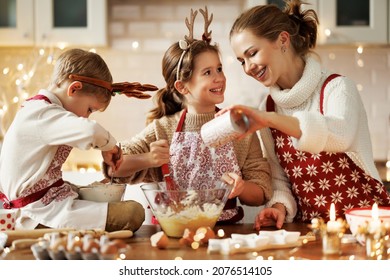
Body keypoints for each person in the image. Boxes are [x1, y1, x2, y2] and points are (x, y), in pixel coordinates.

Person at [218, 0, 390, 230]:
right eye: (242, 61)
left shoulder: (337, 87)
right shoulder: (267, 106)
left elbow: (340, 136)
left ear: (282, 40)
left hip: (366, 227)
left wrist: (267, 119)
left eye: (252, 53)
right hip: (310, 230)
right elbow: (280, 179)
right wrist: (278, 207)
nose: (248, 67)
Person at [106, 7, 272, 224]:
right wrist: (147, 159)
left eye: (219, 69)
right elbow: (114, 166)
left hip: (224, 234)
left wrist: (241, 188)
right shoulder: (162, 129)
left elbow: (261, 190)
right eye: (207, 72)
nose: (219, 78)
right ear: (182, 87)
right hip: (174, 232)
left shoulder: (239, 126)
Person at [0, 48, 157, 232]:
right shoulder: (41, 113)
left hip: (48, 202)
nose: (87, 116)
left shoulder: (41, 109)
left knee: (96, 194)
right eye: (90, 109)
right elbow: (90, 131)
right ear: (74, 88)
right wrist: (110, 147)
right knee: (133, 212)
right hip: (36, 213)